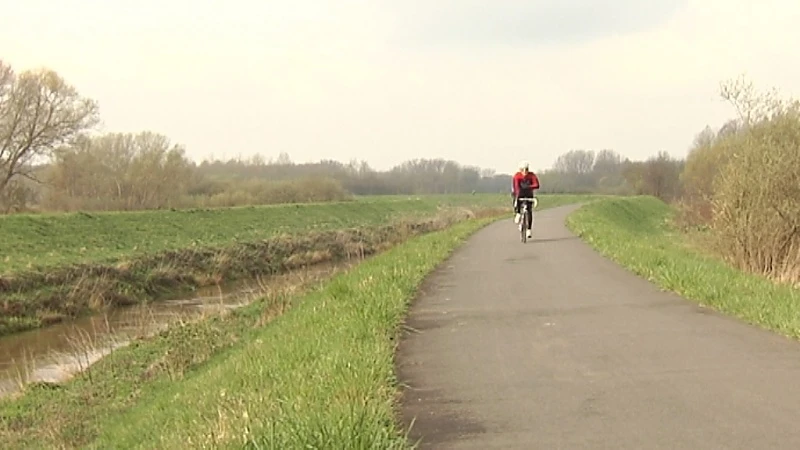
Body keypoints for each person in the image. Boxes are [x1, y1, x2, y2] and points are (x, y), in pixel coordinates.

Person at [512, 161, 540, 238]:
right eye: (523, 170)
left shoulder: (532, 175)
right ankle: (517, 213)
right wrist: (517, 195)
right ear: (520, 170)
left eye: (526, 169)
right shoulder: (517, 176)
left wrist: (529, 187)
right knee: (516, 199)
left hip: (528, 194)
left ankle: (529, 229)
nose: (525, 171)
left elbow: (537, 184)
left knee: (529, 211)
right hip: (519, 193)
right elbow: (516, 187)